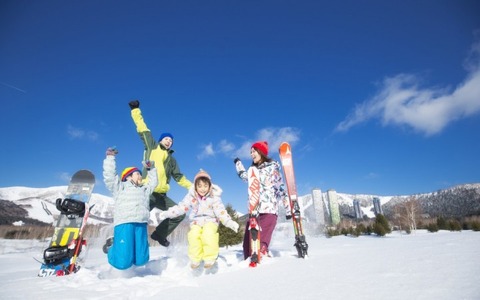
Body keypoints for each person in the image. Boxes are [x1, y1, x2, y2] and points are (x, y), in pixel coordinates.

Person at [128, 100, 193, 247]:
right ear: (160, 140)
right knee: (139, 216)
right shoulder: (152, 146)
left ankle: (159, 234)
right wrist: (135, 110)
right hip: (148, 191)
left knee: (180, 213)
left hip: (162, 196)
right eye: (166, 139)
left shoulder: (172, 160)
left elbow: (179, 177)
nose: (169, 141)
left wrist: (193, 187)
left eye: (171, 140)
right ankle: (123, 238)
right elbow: (143, 129)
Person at [152, 169, 239, 269]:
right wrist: (168, 213)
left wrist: (230, 222)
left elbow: (221, 212)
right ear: (195, 186)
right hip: (196, 221)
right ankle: (195, 259)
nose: (203, 189)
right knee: (193, 235)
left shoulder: (214, 198)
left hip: (211, 220)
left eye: (205, 186)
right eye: (200, 186)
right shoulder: (191, 197)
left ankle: (210, 257)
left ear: (210, 186)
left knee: (208, 234)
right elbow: (181, 207)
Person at [102, 147, 158, 270]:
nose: (140, 176)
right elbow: (110, 177)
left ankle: (130, 256)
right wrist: (110, 157)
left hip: (141, 224)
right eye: (137, 173)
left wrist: (151, 168)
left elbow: (154, 182)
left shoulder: (145, 189)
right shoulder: (120, 187)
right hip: (124, 223)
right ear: (128, 177)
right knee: (123, 263)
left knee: (141, 260)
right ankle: (111, 246)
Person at [234, 141, 291, 260]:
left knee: (261, 246)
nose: (251, 154)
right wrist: (238, 164)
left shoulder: (272, 168)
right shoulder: (252, 170)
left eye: (254, 151)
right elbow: (244, 176)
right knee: (247, 249)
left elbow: (281, 188)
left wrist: (288, 208)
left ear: (261, 152)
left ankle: (264, 264)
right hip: (254, 212)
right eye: (250, 152)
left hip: (269, 211)